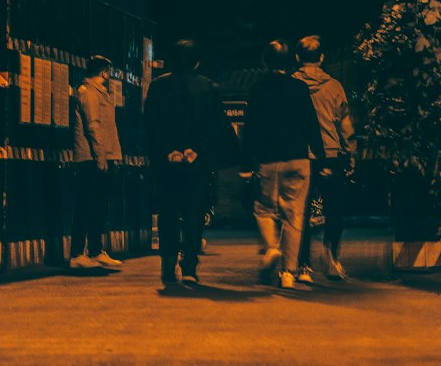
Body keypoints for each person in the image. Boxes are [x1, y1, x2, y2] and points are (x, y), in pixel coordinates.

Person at [144, 38, 240, 287]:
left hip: (167, 164)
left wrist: (168, 150)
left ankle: (167, 264)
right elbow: (216, 124)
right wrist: (195, 149)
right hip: (197, 163)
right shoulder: (209, 87)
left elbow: (151, 124)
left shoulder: (157, 86)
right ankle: (189, 268)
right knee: (194, 213)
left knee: (168, 211)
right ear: (197, 62)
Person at [242, 40, 324, 290]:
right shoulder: (299, 88)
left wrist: (247, 162)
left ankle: (271, 248)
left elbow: (251, 127)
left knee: (264, 210)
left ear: (265, 62)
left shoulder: (257, 88)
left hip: (268, 160)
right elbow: (311, 124)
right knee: (295, 216)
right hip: (299, 159)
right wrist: (321, 157)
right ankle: (288, 273)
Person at [293, 35, 356, 281]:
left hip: (301, 155)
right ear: (321, 58)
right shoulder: (334, 87)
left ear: (297, 58)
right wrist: (351, 154)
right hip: (331, 155)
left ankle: (302, 264)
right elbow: (345, 124)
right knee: (334, 209)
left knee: (301, 210)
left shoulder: (292, 84)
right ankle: (332, 258)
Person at [69, 54, 124, 272]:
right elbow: (92, 126)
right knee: (86, 205)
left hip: (102, 156)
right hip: (91, 158)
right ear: (103, 72)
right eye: (108, 71)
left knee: (99, 205)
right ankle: (76, 254)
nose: (109, 75)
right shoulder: (88, 93)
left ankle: (95, 251)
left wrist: (112, 155)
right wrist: (101, 156)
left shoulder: (99, 92)